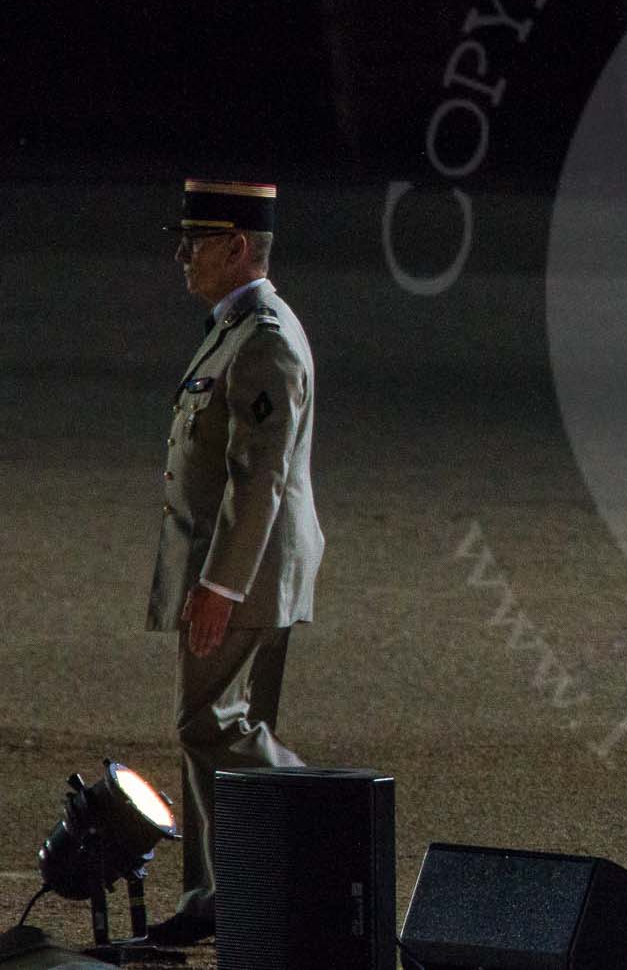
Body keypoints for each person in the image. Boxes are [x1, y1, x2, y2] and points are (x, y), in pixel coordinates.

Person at [145, 179, 323, 946]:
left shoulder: (265, 338)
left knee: (209, 724)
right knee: (221, 727)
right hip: (236, 568)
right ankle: (219, 893)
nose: (183, 252)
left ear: (237, 247)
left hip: (244, 572)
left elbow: (261, 479)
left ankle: (320, 809)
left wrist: (219, 584)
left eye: (197, 238)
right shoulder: (237, 326)